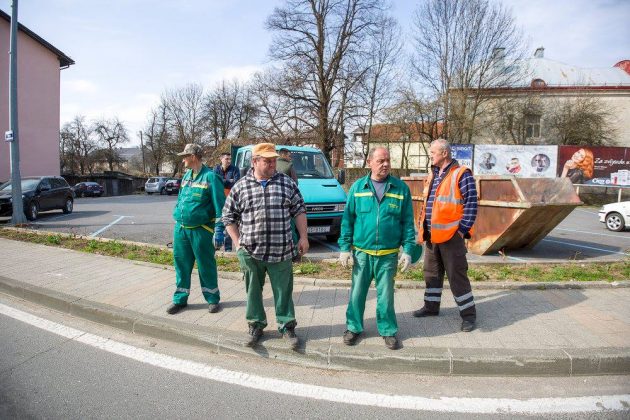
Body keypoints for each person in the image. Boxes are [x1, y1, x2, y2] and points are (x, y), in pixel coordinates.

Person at [222, 142, 309, 350]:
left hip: (281, 250)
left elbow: (299, 210)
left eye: (274, 161)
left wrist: (304, 237)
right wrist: (237, 243)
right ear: (254, 162)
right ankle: (255, 325)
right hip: (251, 251)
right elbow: (228, 217)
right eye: (267, 161)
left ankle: (287, 326)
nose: (272, 165)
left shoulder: (287, 183)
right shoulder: (241, 186)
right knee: (253, 290)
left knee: (283, 290)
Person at [338, 147, 417, 350]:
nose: (386, 164)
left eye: (388, 160)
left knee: (386, 296)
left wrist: (408, 250)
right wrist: (345, 248)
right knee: (357, 294)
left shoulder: (401, 189)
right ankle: (353, 327)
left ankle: (388, 330)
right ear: (370, 162)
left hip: (387, 255)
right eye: (381, 160)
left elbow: (408, 223)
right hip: (362, 254)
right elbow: (347, 220)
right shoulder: (358, 188)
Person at [413, 139, 478, 332]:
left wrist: (461, 230)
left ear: (444, 153)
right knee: (431, 273)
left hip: (451, 237)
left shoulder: (461, 173)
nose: (430, 156)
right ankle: (431, 307)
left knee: (457, 276)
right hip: (432, 236)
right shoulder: (433, 174)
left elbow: (471, 204)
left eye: (433, 152)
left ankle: (468, 316)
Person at [166, 143, 226, 315]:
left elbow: (221, 206)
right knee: (181, 264)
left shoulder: (211, 177)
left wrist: (219, 230)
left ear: (193, 157)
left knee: (205, 265)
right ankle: (180, 299)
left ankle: (212, 299)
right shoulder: (186, 176)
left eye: (185, 157)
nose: (182, 160)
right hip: (181, 229)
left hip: (201, 230)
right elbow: (180, 199)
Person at [213, 152, 240, 251]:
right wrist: (229, 181)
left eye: (230, 159)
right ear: (221, 159)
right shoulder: (216, 169)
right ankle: (216, 246)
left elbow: (236, 183)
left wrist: (222, 181)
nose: (229, 161)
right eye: (226, 159)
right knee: (217, 223)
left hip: (230, 200)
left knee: (230, 223)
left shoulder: (235, 169)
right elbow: (214, 183)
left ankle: (228, 249)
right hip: (218, 200)